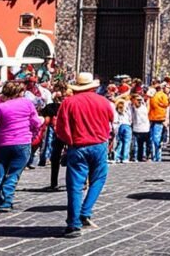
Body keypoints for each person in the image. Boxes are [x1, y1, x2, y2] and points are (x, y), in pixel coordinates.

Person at [54, 72, 114, 239]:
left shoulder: (68, 102)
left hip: (78, 145)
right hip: (99, 144)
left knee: (75, 185)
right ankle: (85, 211)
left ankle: (73, 225)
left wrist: (69, 141)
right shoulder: (103, 101)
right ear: (93, 87)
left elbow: (60, 127)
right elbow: (111, 118)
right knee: (98, 179)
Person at [0, 80, 42, 217]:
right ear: (20, 92)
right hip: (22, 142)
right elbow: (36, 122)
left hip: (2, 143)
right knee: (13, 174)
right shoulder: (27, 104)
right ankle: (5, 202)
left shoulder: (1, 107)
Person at [147, 83, 170, 162]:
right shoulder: (163, 95)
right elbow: (166, 104)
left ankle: (154, 156)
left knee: (152, 138)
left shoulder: (151, 96)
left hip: (151, 118)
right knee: (156, 139)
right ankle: (157, 157)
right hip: (159, 118)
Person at [129, 93, 151, 162]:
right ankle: (137, 157)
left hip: (144, 128)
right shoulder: (134, 107)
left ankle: (142, 157)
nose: (139, 101)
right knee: (137, 145)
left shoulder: (142, 107)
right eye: (138, 100)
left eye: (140, 100)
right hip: (138, 128)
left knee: (142, 145)